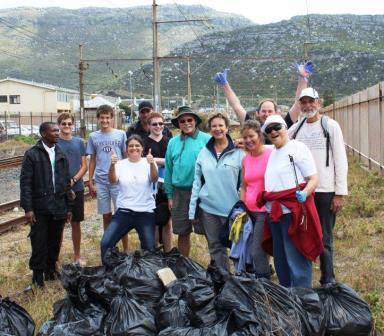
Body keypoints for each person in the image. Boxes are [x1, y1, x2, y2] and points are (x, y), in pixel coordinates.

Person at [288, 87, 348, 285]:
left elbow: (340, 159)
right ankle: (302, 280)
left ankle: (327, 280)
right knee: (303, 233)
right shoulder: (296, 128)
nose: (307, 105)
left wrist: (339, 193)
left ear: (319, 103)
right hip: (302, 192)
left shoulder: (330, 126)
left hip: (324, 191)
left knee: (324, 237)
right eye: (303, 102)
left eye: (310, 101)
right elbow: (276, 143)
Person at [258, 115, 323, 288]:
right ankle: (287, 296)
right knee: (281, 259)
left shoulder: (297, 148)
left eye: (277, 127)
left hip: (292, 213)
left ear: (285, 127)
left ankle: (303, 299)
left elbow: (313, 178)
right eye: (268, 129)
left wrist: (305, 192)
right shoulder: (272, 153)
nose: (273, 131)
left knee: (296, 257)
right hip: (275, 215)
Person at [189, 112, 244, 271]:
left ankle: (241, 280)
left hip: (233, 211)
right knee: (215, 247)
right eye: (214, 126)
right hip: (209, 209)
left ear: (227, 128)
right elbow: (197, 183)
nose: (217, 129)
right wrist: (192, 211)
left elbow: (244, 184)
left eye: (221, 125)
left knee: (238, 248)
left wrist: (243, 207)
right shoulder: (203, 153)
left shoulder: (239, 152)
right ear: (209, 129)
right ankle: (223, 280)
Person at [20, 122, 73, 287]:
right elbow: (26, 183)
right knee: (39, 243)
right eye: (54, 131)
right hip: (40, 206)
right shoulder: (32, 155)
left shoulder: (60, 153)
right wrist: (28, 209)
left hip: (58, 205)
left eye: (58, 130)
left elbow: (66, 182)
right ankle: (37, 278)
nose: (58, 133)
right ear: (43, 133)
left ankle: (50, 271)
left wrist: (68, 208)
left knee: (54, 240)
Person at [100, 135, 158, 259]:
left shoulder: (148, 162)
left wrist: (152, 164)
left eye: (137, 145)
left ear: (142, 148)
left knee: (150, 249)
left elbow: (154, 179)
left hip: (145, 212)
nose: (134, 148)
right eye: (131, 146)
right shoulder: (120, 164)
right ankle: (110, 271)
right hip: (124, 211)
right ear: (126, 149)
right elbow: (112, 180)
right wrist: (112, 164)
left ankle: (147, 274)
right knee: (106, 243)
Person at [165, 106, 211, 257]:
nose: (186, 123)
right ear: (178, 123)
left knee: (210, 231)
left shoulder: (207, 139)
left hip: (202, 192)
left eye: (189, 120)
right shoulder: (172, 142)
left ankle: (217, 266)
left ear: (195, 121)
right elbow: (169, 169)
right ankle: (184, 263)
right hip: (179, 192)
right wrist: (170, 195)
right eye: (182, 121)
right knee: (182, 231)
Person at [213, 61, 314, 129]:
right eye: (264, 111)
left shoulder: (284, 124)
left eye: (270, 111)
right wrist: (225, 85)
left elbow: (298, 104)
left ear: (276, 112)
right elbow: (236, 106)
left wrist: (302, 79)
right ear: (258, 113)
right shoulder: (252, 126)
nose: (267, 114)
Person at [86, 105, 129, 254]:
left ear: (112, 118)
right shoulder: (93, 137)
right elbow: (92, 159)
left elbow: (126, 156)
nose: (105, 120)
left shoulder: (121, 134)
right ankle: (109, 247)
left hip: (118, 180)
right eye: (102, 118)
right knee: (106, 215)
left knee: (121, 214)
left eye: (107, 117)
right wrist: (90, 180)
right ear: (98, 119)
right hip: (101, 180)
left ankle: (126, 249)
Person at [239, 119, 273, 278]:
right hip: (249, 210)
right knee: (248, 246)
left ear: (259, 135)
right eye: (245, 137)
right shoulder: (246, 159)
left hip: (264, 210)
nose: (248, 140)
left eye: (251, 136)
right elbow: (244, 186)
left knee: (256, 250)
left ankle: (264, 282)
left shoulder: (271, 154)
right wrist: (242, 207)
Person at [57, 113, 88, 264]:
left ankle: (77, 256)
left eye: (69, 124)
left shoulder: (79, 143)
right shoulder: (54, 142)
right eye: (64, 124)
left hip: (77, 188)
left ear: (73, 125)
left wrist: (74, 179)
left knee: (76, 223)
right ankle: (55, 257)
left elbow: (84, 165)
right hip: (59, 189)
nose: (67, 126)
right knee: (59, 224)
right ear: (59, 126)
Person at [144, 112, 173, 252]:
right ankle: (155, 252)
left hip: (167, 185)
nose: (158, 126)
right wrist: (164, 162)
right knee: (153, 221)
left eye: (161, 124)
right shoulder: (143, 142)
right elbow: (142, 162)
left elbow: (173, 162)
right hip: (150, 186)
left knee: (168, 221)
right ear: (148, 125)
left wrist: (154, 160)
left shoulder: (170, 142)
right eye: (154, 124)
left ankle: (168, 252)